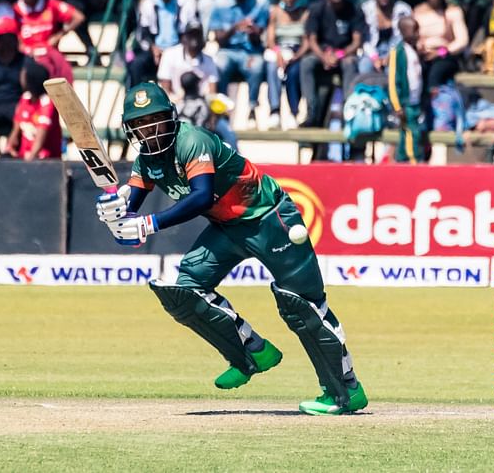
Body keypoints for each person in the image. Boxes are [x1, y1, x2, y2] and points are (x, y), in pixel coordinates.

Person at [96, 81, 367, 415]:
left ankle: (345, 391)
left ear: (171, 118)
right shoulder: (146, 160)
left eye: (155, 122)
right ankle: (251, 352)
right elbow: (131, 222)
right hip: (228, 227)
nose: (149, 133)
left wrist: (147, 224)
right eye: (140, 125)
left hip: (269, 218)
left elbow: (201, 196)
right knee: (186, 291)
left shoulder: (192, 140)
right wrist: (117, 211)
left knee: (302, 305)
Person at [300, 0, 362, 127]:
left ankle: (350, 111)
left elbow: (356, 41)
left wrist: (340, 54)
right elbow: (311, 39)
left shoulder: (353, 9)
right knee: (306, 63)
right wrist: (324, 56)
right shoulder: (316, 9)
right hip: (322, 54)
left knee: (350, 63)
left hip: (344, 54)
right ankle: (311, 110)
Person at [209, 0, 270, 123]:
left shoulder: (260, 2)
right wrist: (234, 28)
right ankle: (222, 108)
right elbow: (218, 40)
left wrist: (253, 32)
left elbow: (260, 38)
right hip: (227, 50)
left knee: (257, 66)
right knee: (219, 65)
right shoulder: (219, 3)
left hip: (251, 51)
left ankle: (252, 108)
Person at [130, 0, 198, 87]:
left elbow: (193, 31)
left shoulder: (187, 1)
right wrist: (153, 48)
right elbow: (142, 34)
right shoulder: (147, 3)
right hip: (156, 51)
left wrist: (174, 52)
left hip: (179, 49)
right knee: (136, 64)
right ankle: (136, 100)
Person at [265, 0, 308, 128]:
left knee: (294, 73)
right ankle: (275, 111)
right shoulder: (275, 11)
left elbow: (307, 41)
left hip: (297, 52)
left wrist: (296, 56)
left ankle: (293, 112)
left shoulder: (304, 13)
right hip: (279, 50)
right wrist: (278, 53)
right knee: (271, 68)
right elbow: (270, 39)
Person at [413, 0, 468, 89]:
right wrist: (421, 48)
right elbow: (413, 37)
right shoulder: (417, 12)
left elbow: (462, 41)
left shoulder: (452, 11)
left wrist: (441, 52)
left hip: (446, 57)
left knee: (435, 74)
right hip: (424, 56)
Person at [13, 0, 85, 55]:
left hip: (49, 53)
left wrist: (59, 35)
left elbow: (78, 17)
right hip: (26, 55)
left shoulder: (51, 4)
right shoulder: (15, 10)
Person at [5, 61, 62, 160]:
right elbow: (17, 124)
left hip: (45, 160)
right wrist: (10, 146)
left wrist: (30, 159)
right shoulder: (25, 98)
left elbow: (40, 137)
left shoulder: (47, 103)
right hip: (24, 156)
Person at [359, 0, 411, 76]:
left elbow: (404, 38)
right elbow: (364, 40)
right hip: (372, 51)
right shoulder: (365, 9)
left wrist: (391, 56)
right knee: (364, 67)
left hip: (396, 51)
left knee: (392, 72)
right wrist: (374, 58)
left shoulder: (403, 9)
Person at [389, 16, 425, 163]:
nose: (417, 34)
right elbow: (393, 81)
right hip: (405, 102)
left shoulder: (414, 50)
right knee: (412, 133)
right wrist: (397, 106)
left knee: (409, 133)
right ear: (404, 32)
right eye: (414, 31)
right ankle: (413, 161)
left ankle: (401, 159)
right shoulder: (398, 52)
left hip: (416, 100)